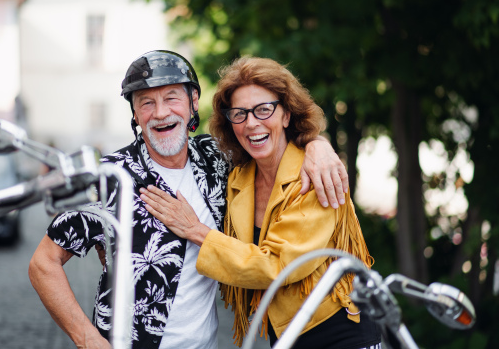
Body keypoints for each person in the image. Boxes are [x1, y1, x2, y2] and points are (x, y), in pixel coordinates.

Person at [28, 50, 348, 349]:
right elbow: (43, 263)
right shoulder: (109, 177)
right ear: (136, 114)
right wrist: (87, 339)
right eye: (146, 103)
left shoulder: (217, 158)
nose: (161, 113)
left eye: (171, 98)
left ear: (193, 100)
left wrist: (317, 145)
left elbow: (272, 135)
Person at [140, 56, 381, 349]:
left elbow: (279, 267)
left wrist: (195, 230)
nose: (251, 123)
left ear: (287, 115)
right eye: (239, 114)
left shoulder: (313, 177)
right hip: (284, 335)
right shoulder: (237, 175)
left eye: (264, 110)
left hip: (341, 330)